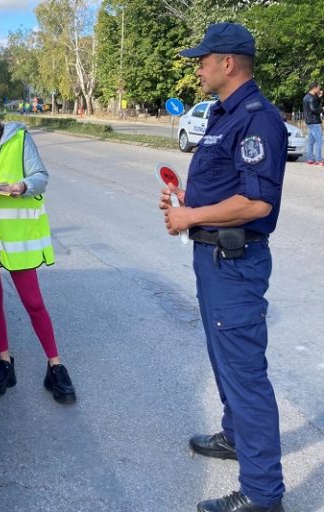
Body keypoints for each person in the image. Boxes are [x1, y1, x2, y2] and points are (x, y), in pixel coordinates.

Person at [160, 22, 286, 512]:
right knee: (223, 357)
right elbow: (228, 188)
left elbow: (256, 204)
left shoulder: (257, 119)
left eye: (203, 59)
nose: (198, 67)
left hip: (236, 262)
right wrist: (190, 200)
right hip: (213, 258)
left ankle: (262, 495)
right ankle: (236, 438)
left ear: (228, 62)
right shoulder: (223, 114)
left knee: (245, 374)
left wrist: (190, 215)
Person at [0, 86, 76, 404]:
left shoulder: (18, 138)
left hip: (17, 239)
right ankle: (4, 362)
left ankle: (55, 366)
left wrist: (21, 185)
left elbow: (41, 177)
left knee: (33, 303)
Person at [302, 82, 323, 165]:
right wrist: (322, 109)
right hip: (314, 122)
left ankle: (310, 159)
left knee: (310, 141)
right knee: (319, 141)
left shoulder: (307, 97)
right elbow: (314, 109)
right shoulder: (311, 98)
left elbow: (314, 103)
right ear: (314, 88)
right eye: (318, 88)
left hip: (309, 121)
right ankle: (319, 159)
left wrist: (319, 97)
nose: (319, 89)